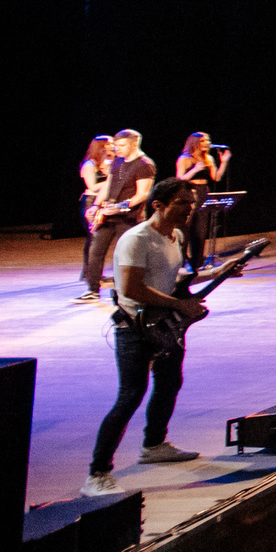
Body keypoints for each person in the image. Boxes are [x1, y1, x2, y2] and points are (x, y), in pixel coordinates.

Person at [86, 180, 207, 496]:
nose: (189, 208)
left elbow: (171, 279)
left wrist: (218, 273)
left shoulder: (176, 236)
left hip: (164, 325)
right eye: (182, 202)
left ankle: (154, 445)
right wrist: (179, 305)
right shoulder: (136, 239)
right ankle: (97, 473)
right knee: (130, 395)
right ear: (158, 205)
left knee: (169, 383)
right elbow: (131, 288)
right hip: (135, 327)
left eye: (191, 202)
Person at [79, 128, 154, 302]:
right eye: (116, 145)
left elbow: (142, 194)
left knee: (124, 256)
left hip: (129, 217)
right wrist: (96, 205)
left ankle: (125, 292)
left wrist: (119, 207)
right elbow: (108, 184)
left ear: (134, 145)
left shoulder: (144, 164)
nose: (116, 149)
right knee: (96, 251)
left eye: (121, 145)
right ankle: (92, 290)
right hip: (108, 215)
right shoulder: (118, 161)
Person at [172, 132, 231, 271]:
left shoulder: (208, 158)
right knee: (185, 229)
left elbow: (216, 177)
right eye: (203, 141)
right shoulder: (184, 158)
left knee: (200, 230)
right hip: (189, 192)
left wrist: (224, 162)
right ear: (194, 142)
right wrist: (194, 170)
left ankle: (196, 264)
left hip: (203, 192)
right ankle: (180, 264)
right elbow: (179, 179)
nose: (207, 143)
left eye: (208, 140)